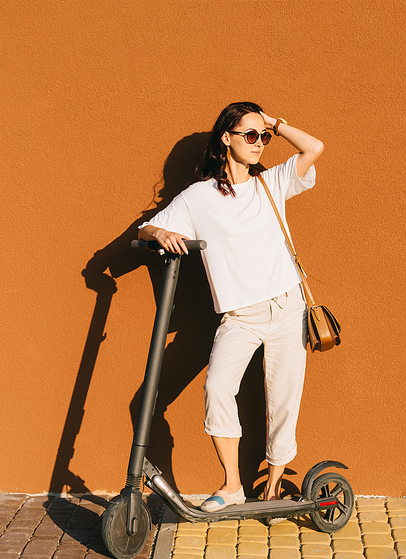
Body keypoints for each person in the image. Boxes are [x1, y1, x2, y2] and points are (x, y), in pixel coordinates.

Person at [138, 102, 323, 516]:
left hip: (288, 307)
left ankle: (274, 486)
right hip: (240, 316)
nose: (259, 144)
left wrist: (276, 123)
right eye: (249, 135)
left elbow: (314, 148)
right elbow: (145, 229)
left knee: (283, 401)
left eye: (264, 137)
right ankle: (234, 484)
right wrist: (162, 231)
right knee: (218, 387)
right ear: (226, 138)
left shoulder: (272, 182)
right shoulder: (198, 198)